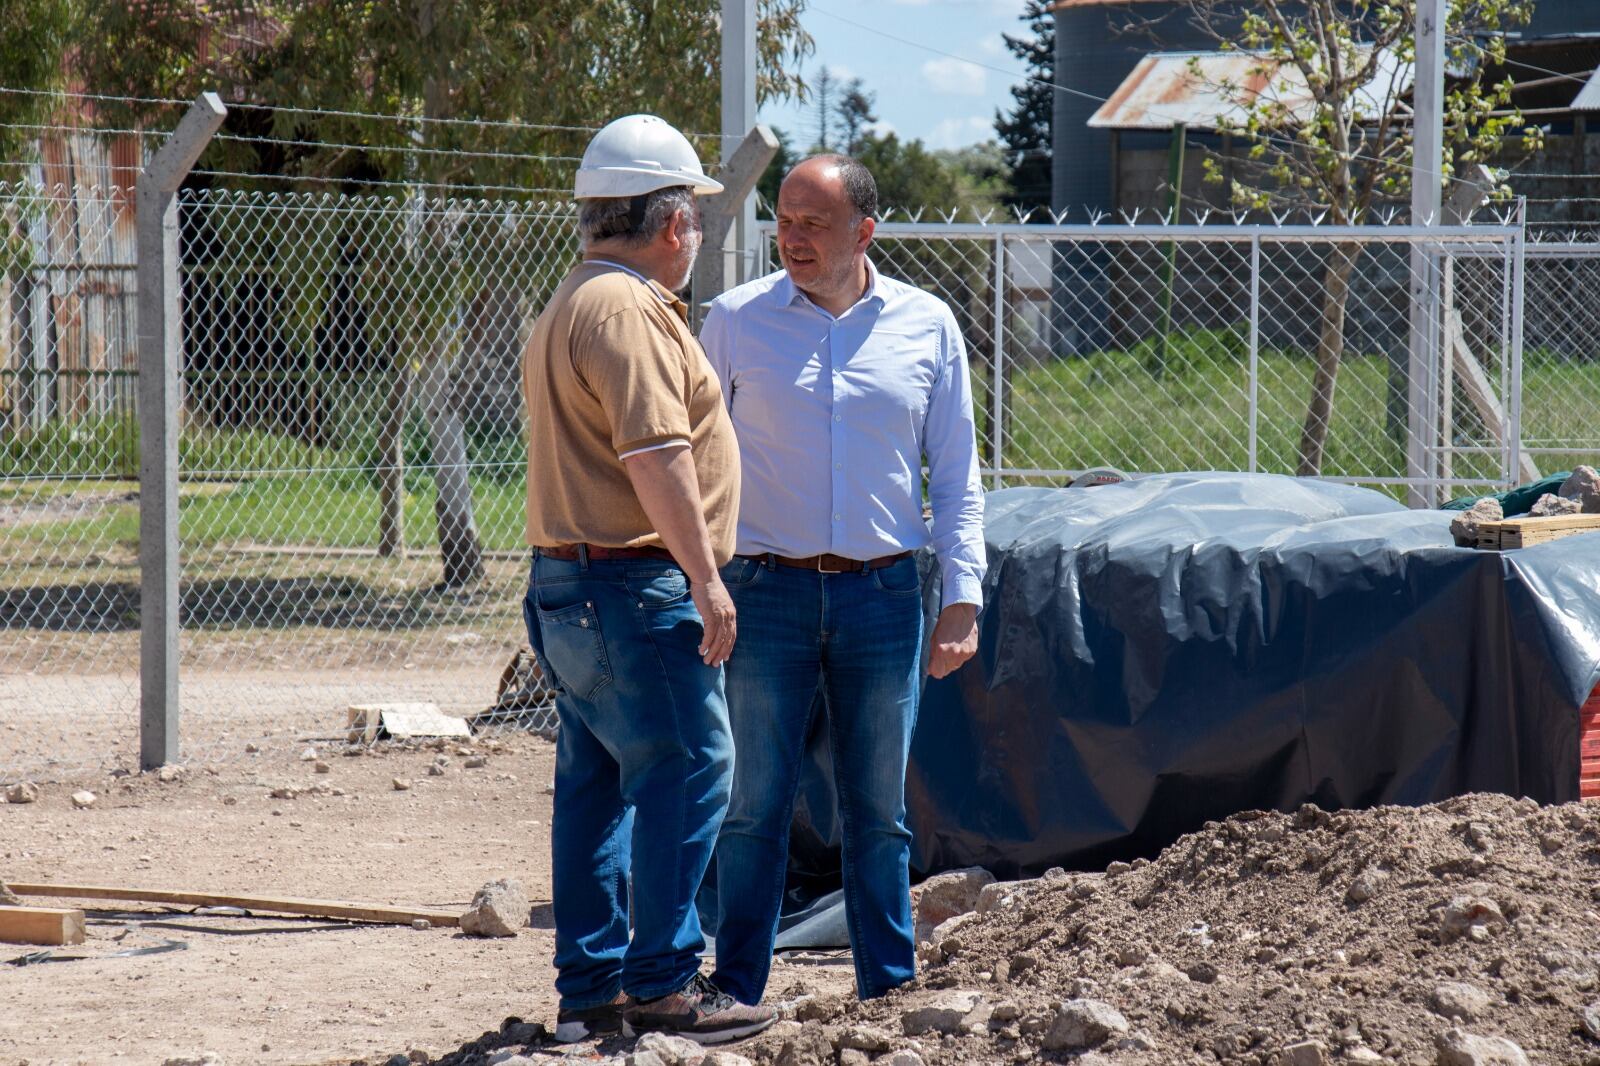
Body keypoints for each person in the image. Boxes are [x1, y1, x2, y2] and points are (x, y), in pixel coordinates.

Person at [700, 154, 986, 1003]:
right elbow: (696, 460)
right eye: (785, 219)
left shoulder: (928, 326)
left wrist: (962, 598)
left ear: (866, 231)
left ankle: (887, 992)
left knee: (878, 812)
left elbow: (958, 472)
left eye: (813, 222)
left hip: (885, 598)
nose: (792, 236)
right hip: (764, 593)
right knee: (753, 806)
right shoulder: (736, 321)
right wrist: (700, 575)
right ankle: (737, 989)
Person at [520, 113, 775, 1045]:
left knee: (596, 781)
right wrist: (706, 576)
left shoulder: (572, 301)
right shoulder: (627, 311)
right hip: (630, 584)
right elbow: (656, 452)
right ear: (672, 225)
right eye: (696, 219)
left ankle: (591, 991)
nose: (699, 236)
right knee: (692, 766)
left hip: (573, 583)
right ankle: (666, 985)